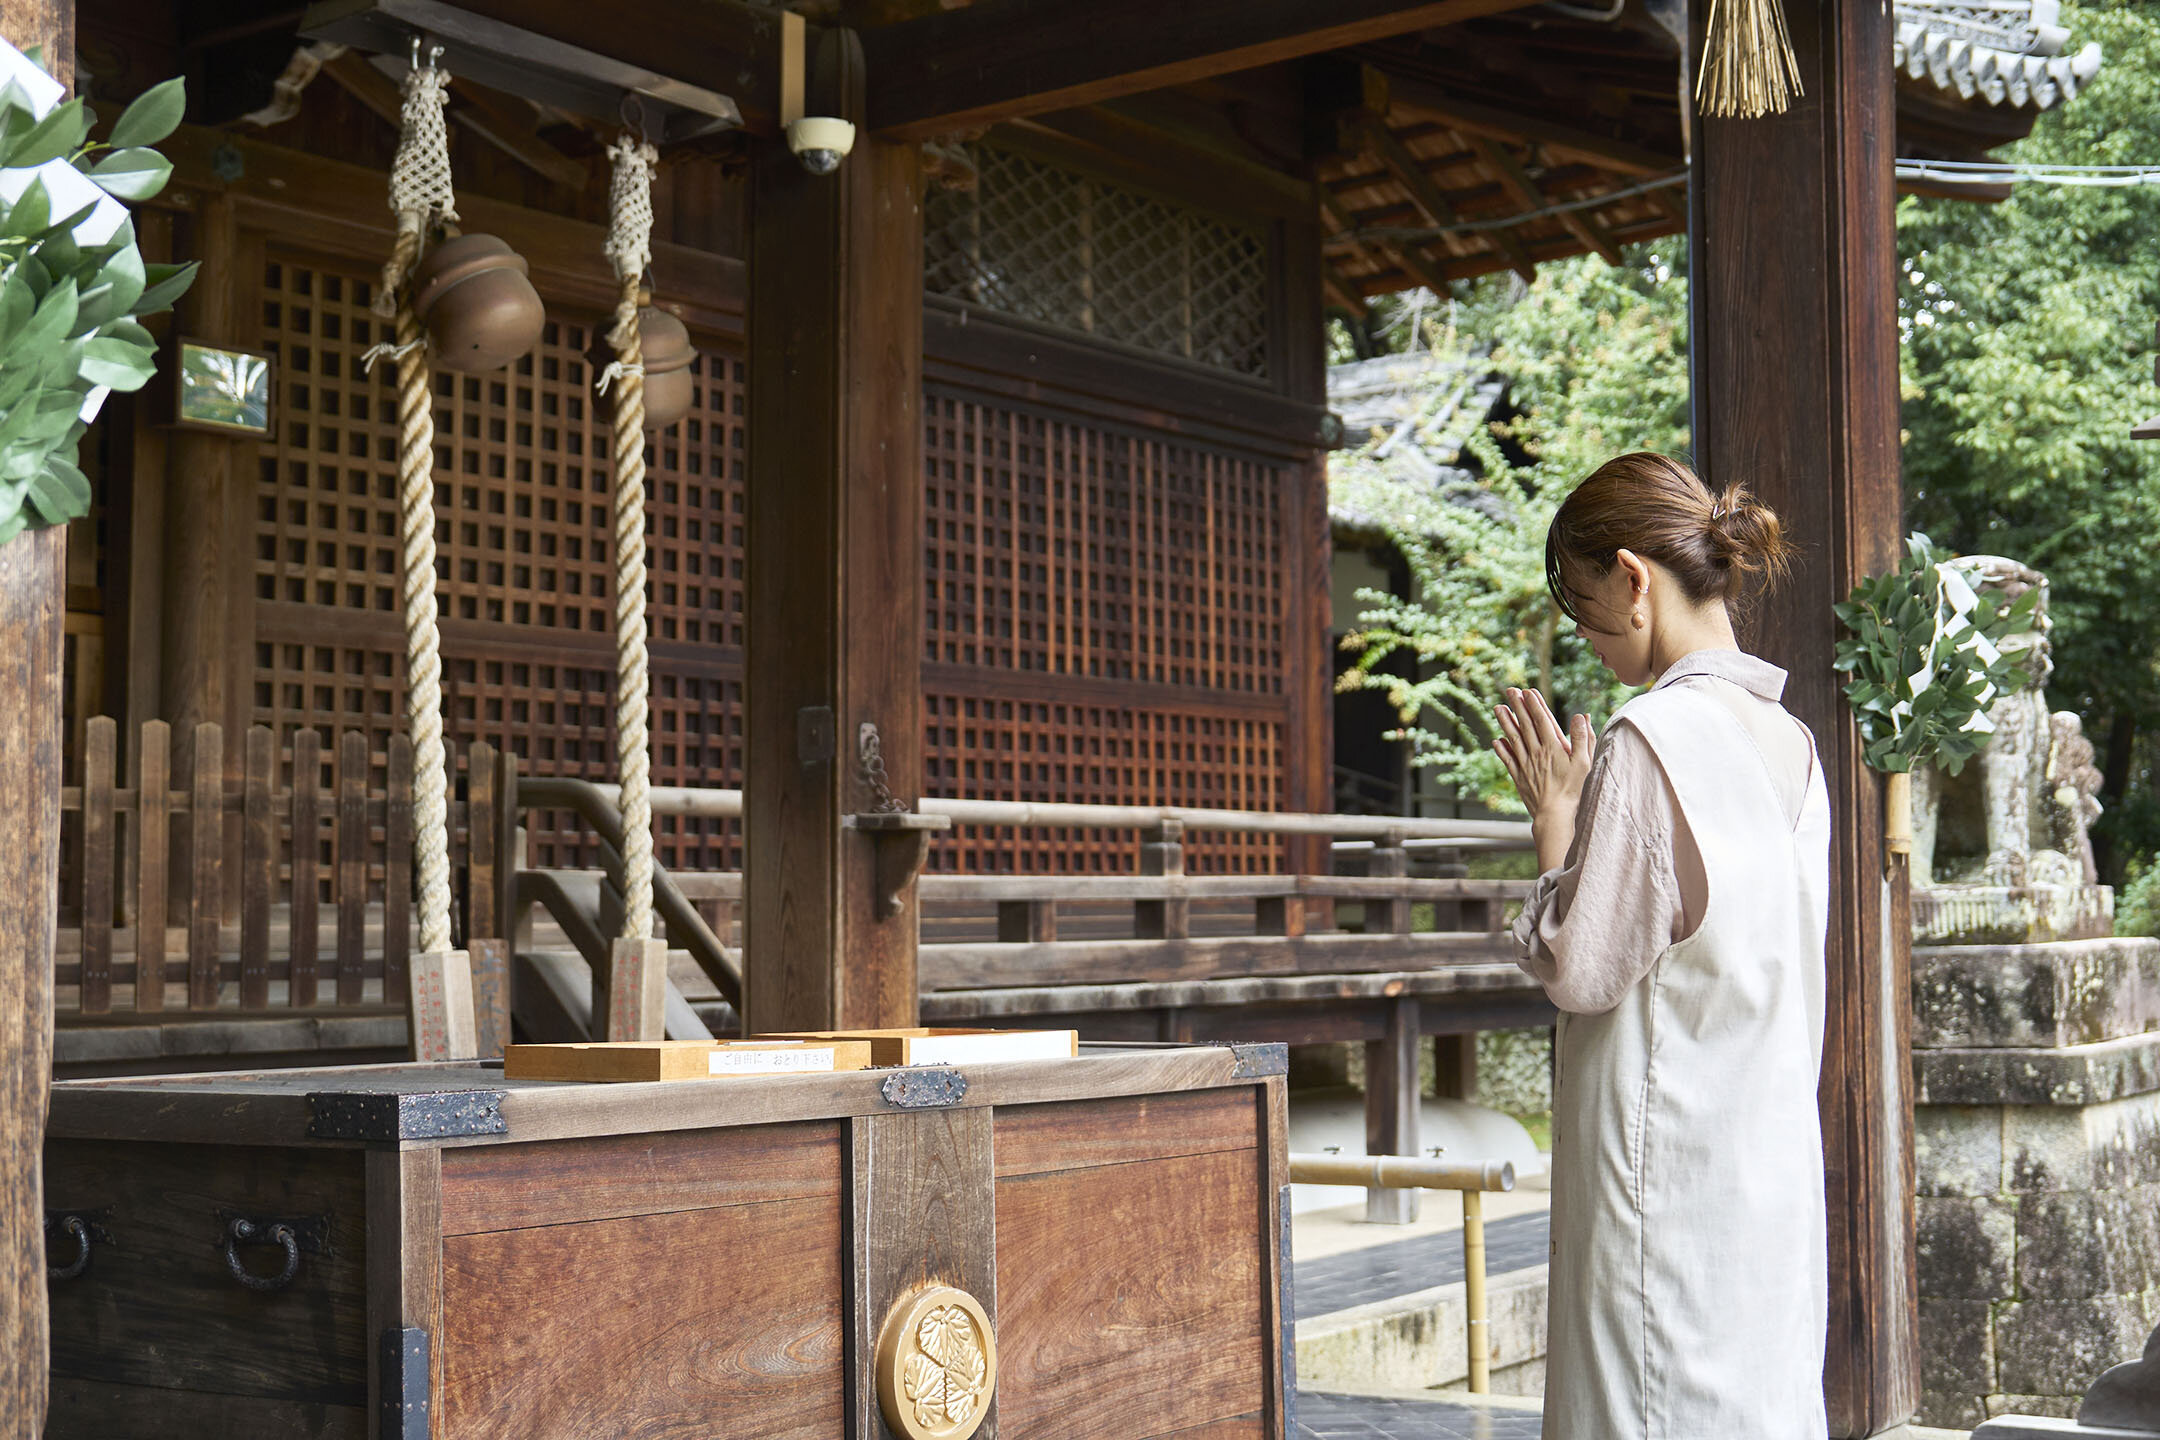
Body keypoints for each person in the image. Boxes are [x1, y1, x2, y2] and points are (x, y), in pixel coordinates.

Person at [1491, 451, 1831, 1440]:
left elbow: (1581, 967)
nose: (1593, 643)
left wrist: (1555, 821)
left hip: (1665, 1181)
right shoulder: (1792, 746)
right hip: (1760, 1181)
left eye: (1591, 614)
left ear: (1635, 580)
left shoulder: (1653, 738)